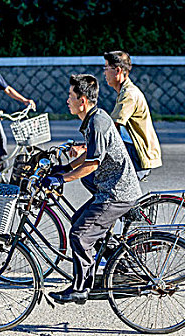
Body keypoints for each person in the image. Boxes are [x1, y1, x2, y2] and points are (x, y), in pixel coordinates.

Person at [43, 74, 142, 304]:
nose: (67, 100)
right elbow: (90, 152)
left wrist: (63, 179)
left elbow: (93, 163)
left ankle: (80, 287)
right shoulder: (94, 118)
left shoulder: (97, 122)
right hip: (109, 190)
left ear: (83, 100)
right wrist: (65, 168)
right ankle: (120, 265)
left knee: (80, 235)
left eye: (71, 96)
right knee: (79, 220)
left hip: (115, 193)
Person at [103, 50, 162, 181]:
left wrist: (88, 146)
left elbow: (113, 126)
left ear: (118, 71)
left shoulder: (128, 94)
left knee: (98, 178)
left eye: (106, 68)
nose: (104, 73)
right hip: (130, 149)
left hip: (137, 155)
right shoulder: (124, 91)